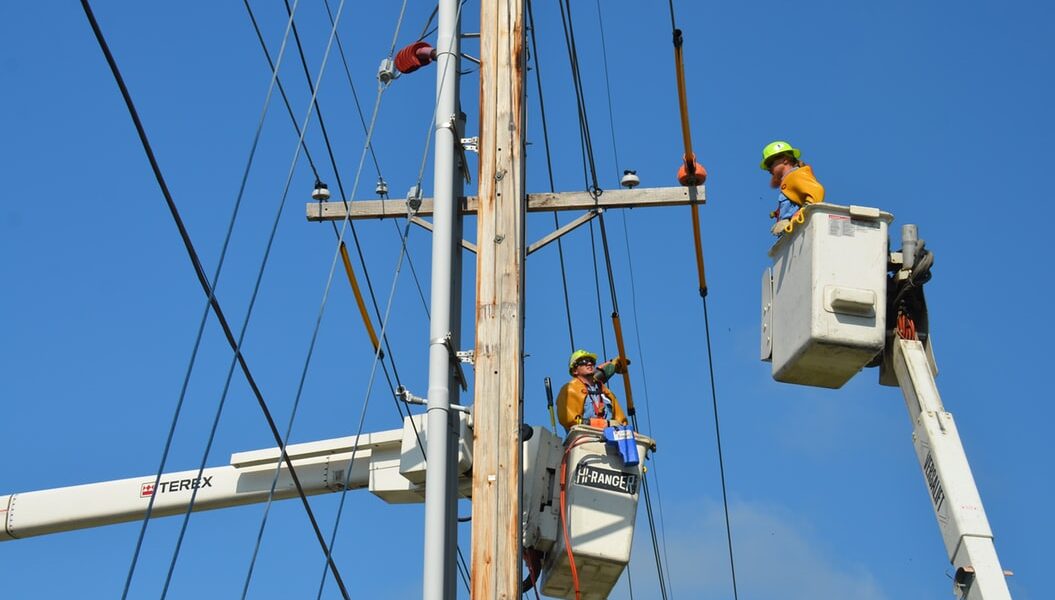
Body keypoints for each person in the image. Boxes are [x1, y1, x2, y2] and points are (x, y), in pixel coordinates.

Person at [760, 140, 825, 235]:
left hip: (800, 230)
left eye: (770, 163)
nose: (768, 169)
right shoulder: (788, 180)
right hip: (794, 233)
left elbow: (817, 191)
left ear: (785, 160)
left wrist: (800, 214)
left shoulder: (796, 175)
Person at [556, 349, 628, 433]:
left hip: (611, 440)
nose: (589, 363)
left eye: (592, 361)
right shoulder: (569, 390)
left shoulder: (606, 393)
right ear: (575, 370)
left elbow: (622, 422)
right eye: (583, 361)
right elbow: (570, 420)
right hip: (586, 439)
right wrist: (604, 424)